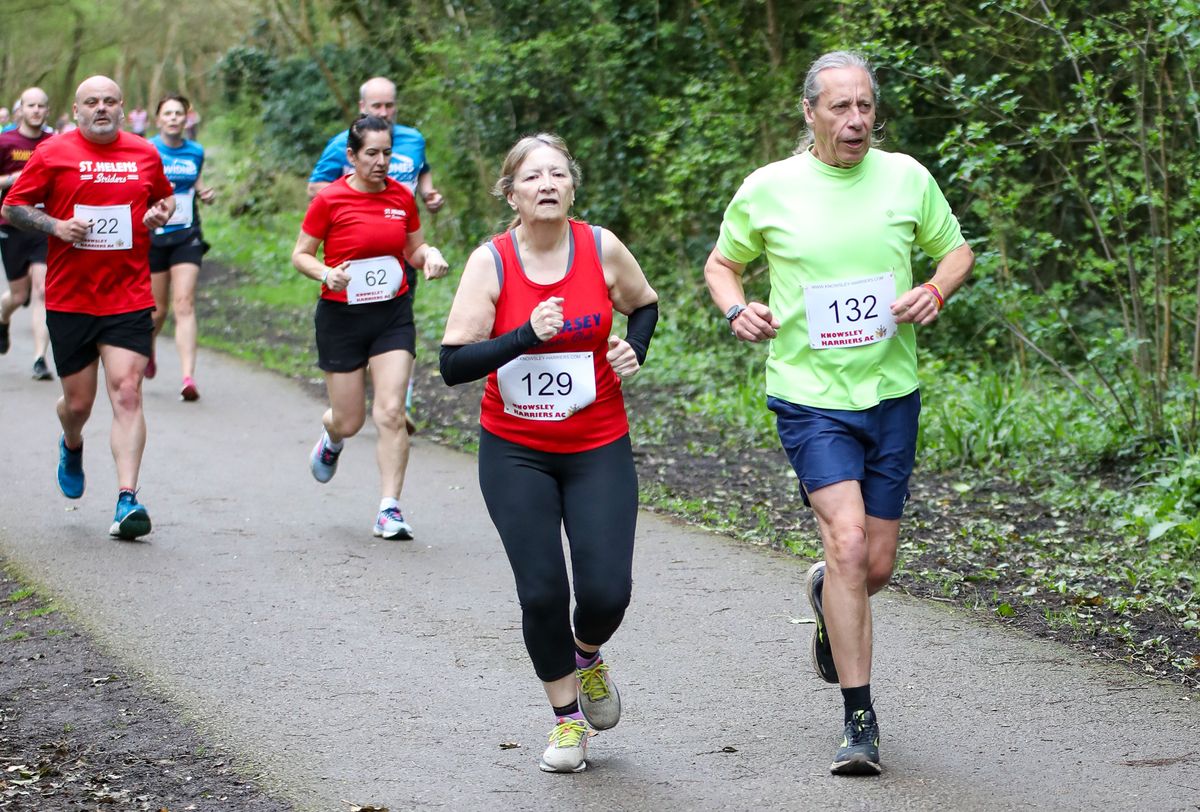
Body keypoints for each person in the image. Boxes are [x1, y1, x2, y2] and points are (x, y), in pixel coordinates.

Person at [704, 51, 974, 776]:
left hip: (891, 395)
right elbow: (721, 263)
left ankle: (828, 594)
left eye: (865, 108)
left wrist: (937, 291)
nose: (856, 121)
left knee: (872, 565)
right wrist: (737, 306)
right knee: (848, 542)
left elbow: (956, 253)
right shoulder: (768, 190)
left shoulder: (906, 177)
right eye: (840, 108)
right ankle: (860, 719)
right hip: (809, 395)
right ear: (810, 113)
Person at [440, 133, 659, 774]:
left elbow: (643, 307)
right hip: (516, 452)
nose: (546, 184)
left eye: (557, 173)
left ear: (572, 187)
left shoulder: (600, 248)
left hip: (598, 444)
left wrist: (634, 349)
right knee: (540, 593)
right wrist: (522, 335)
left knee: (606, 592)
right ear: (511, 192)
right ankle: (567, 722)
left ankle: (586, 653)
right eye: (532, 176)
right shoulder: (492, 262)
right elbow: (454, 363)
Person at [2, 75, 175, 540]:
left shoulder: (143, 152)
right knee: (79, 404)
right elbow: (13, 208)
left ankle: (126, 500)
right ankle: (72, 442)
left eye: (110, 101)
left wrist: (160, 214)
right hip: (71, 298)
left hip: (128, 295)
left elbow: (164, 200)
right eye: (91, 102)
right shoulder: (53, 152)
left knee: (127, 391)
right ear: (76, 111)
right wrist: (56, 227)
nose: (101, 108)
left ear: (124, 108)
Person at [292, 115, 448, 540]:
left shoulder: (401, 196)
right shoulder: (330, 199)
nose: (381, 162)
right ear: (352, 156)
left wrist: (429, 257)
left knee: (392, 412)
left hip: (391, 316)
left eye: (387, 153)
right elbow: (301, 254)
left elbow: (412, 249)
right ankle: (332, 437)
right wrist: (326, 273)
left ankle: (389, 509)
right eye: (371, 154)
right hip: (341, 318)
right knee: (350, 420)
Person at [309, 76, 445, 435]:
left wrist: (428, 195)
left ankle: (396, 404)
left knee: (397, 329)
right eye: (377, 106)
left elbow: (423, 172)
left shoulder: (413, 139)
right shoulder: (342, 144)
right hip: (351, 264)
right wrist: (357, 203)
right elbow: (315, 186)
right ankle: (350, 412)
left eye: (390, 106)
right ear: (362, 108)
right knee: (349, 418)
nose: (384, 112)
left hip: (399, 247)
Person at [147, 94, 214, 400]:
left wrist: (205, 193)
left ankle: (188, 377)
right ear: (158, 119)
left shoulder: (196, 151)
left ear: (187, 119)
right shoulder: (146, 149)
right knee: (158, 310)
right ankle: (147, 347)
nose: (174, 118)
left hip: (188, 234)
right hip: (154, 236)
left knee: (184, 303)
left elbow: (195, 181)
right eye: (168, 113)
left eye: (179, 113)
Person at [0, 87, 54, 378]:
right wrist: (15, 178)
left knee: (43, 290)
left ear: (48, 110)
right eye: (30, 105)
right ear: (20, 109)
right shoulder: (5, 141)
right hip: (12, 225)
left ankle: (39, 360)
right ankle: (2, 317)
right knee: (19, 295)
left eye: (41, 105)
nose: (35, 110)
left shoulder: (55, 143)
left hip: (45, 224)